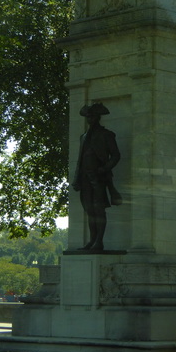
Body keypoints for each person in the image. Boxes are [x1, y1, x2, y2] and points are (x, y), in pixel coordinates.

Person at [72, 103, 122, 251]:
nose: (89, 118)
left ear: (98, 117)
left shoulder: (106, 134)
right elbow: (80, 160)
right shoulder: (83, 137)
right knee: (89, 210)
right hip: (85, 178)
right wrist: (76, 179)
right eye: (88, 116)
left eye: (92, 116)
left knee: (98, 209)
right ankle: (92, 240)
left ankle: (99, 241)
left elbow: (116, 155)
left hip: (99, 177)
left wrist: (104, 169)